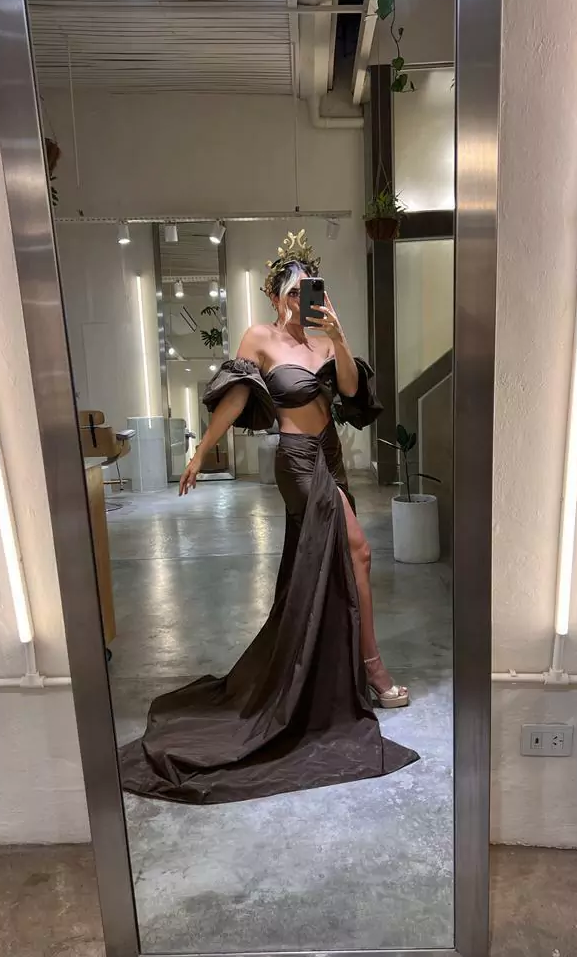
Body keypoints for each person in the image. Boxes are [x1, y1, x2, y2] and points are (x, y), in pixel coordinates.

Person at [120, 231, 418, 805]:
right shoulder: (260, 338)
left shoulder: (325, 341)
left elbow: (350, 392)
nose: (303, 300)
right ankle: (374, 671)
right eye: (295, 291)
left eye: (311, 290)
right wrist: (201, 451)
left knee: (333, 562)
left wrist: (339, 337)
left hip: (331, 453)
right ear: (277, 295)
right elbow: (236, 398)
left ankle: (324, 667)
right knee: (359, 550)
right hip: (297, 460)